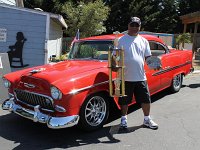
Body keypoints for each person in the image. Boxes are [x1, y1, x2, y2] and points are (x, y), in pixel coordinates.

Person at [117, 17, 158, 129]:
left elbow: (148, 57)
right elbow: (115, 56)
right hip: (125, 77)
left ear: (139, 27)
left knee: (146, 99)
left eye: (137, 25)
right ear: (128, 26)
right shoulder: (121, 40)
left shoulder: (144, 41)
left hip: (140, 77)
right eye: (132, 25)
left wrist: (155, 65)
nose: (134, 27)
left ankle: (147, 120)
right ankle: (123, 120)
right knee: (124, 100)